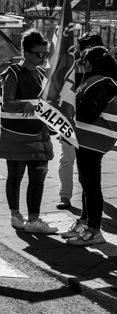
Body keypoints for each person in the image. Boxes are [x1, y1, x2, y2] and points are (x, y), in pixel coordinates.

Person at [0, 30, 56, 233]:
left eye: (45, 54)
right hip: (16, 134)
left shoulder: (42, 74)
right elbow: (7, 104)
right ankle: (15, 216)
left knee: (38, 178)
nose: (43, 57)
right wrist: (25, 106)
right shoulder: (13, 73)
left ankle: (34, 220)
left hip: (39, 134)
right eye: (40, 54)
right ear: (26, 53)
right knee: (15, 176)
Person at [65, 45, 117, 246]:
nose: (81, 66)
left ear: (93, 62)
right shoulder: (99, 81)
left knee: (91, 185)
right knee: (87, 183)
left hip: (94, 140)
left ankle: (95, 231)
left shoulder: (105, 83)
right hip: (87, 138)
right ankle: (87, 225)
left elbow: (88, 113)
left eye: (84, 62)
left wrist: (70, 104)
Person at [59, 34, 103, 210]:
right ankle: (65, 195)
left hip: (92, 124)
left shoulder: (103, 68)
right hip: (71, 120)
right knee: (67, 158)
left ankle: (90, 199)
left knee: (90, 167)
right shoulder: (72, 66)